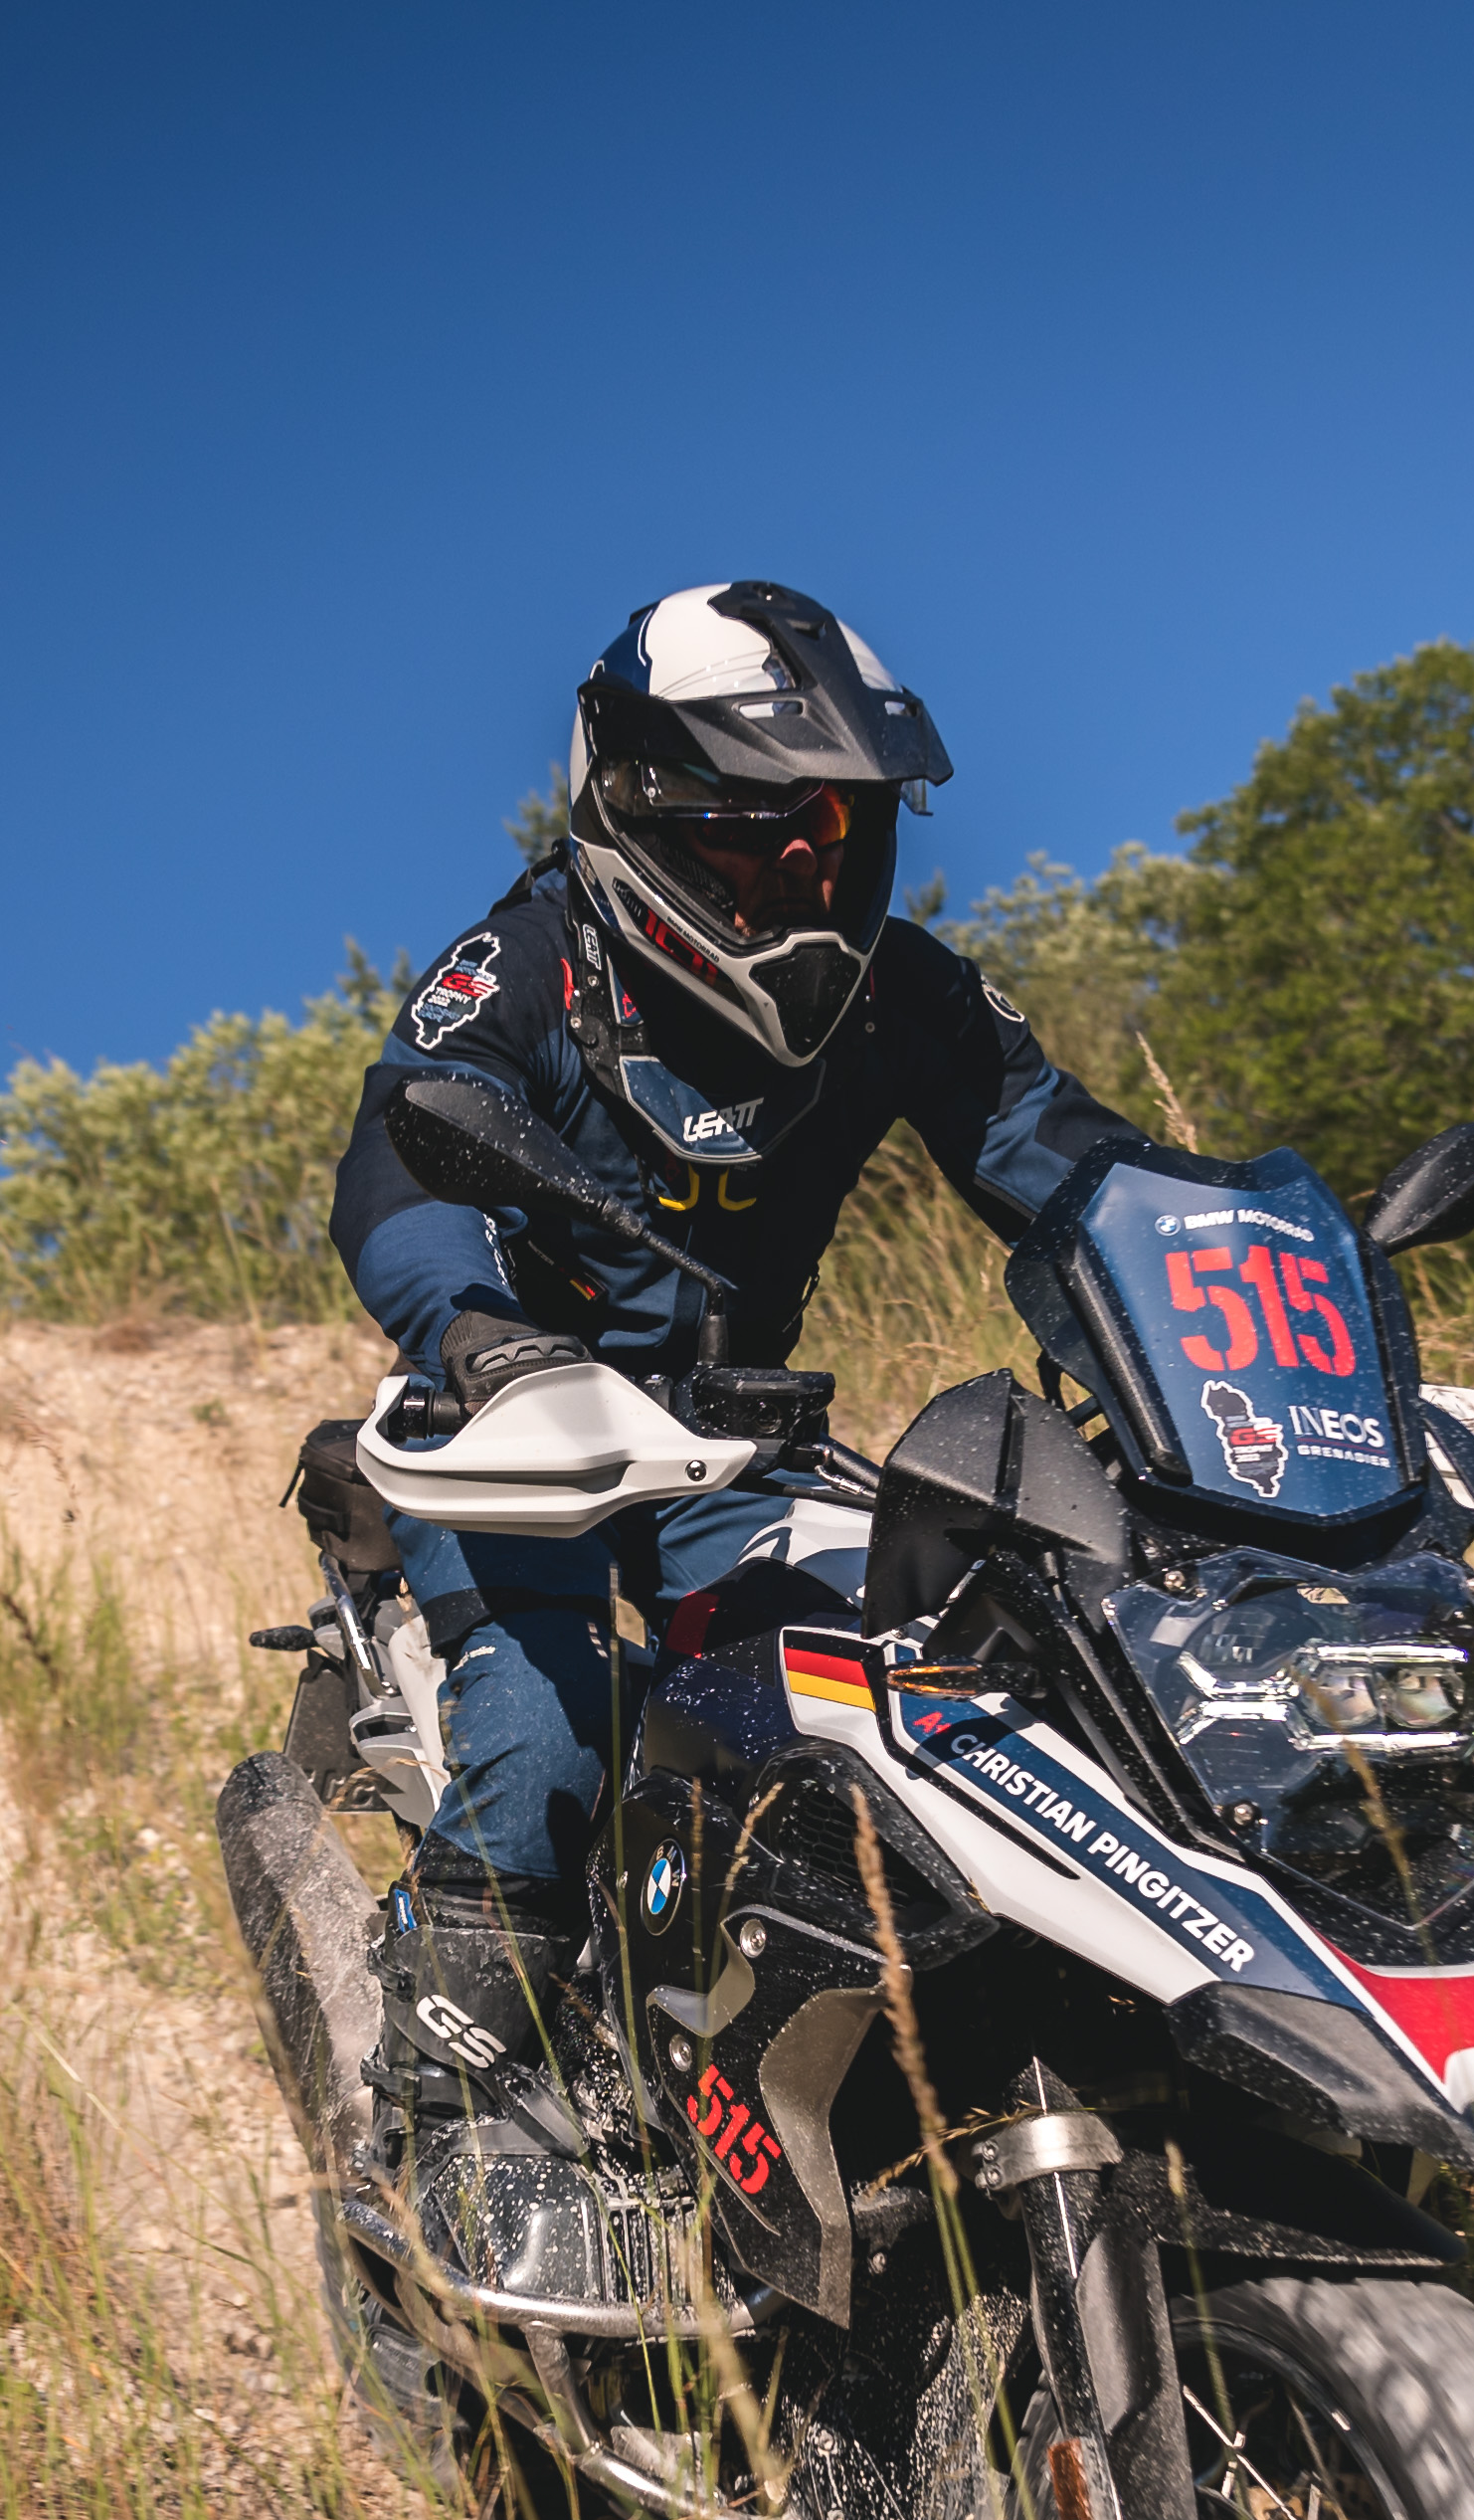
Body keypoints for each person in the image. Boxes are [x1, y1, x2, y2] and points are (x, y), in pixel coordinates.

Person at [329, 581, 1162, 2282]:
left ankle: (816, 2081)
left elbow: (1086, 1177)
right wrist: (479, 1336)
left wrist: (1245, 1295)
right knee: (550, 1735)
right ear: (637, 805)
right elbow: (402, 1169)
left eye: (833, 835)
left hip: (733, 1452)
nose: (800, 871)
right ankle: (428, 2127)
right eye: (754, 832)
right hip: (523, 1442)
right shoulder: (526, 963)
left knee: (937, 1692)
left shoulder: (903, 995)